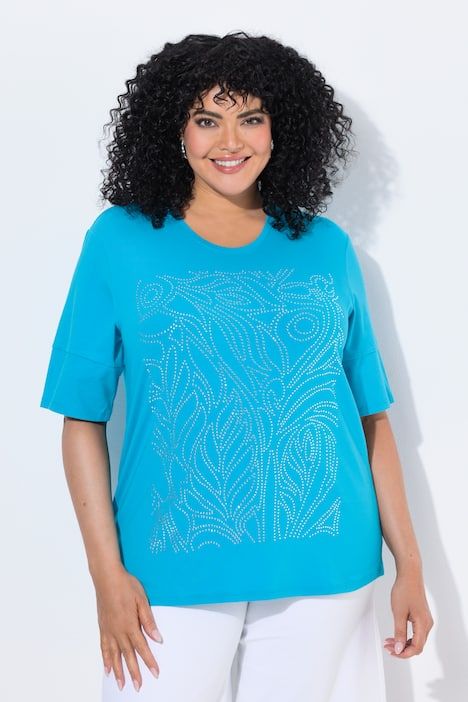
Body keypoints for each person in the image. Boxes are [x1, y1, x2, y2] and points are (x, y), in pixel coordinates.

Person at [39, 31, 433, 701]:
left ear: (281, 129)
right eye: (206, 119)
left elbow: (370, 417)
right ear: (176, 129)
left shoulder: (325, 247)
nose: (230, 140)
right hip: (167, 570)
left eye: (251, 118)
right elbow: (81, 417)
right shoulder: (119, 240)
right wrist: (106, 577)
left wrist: (411, 567)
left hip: (326, 564)